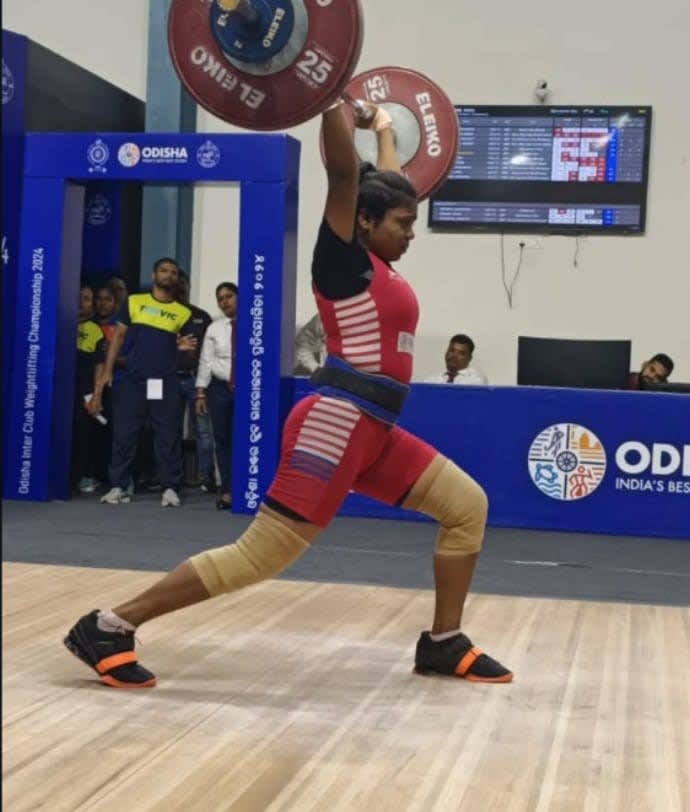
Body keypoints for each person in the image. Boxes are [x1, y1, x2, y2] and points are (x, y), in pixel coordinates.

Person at [64, 99, 512, 688]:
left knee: (466, 506)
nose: (409, 234)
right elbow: (346, 176)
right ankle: (109, 625)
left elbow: (381, 182)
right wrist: (330, 100)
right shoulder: (343, 261)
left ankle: (443, 641)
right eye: (403, 225)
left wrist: (382, 127)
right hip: (335, 424)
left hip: (374, 431)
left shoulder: (380, 254)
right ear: (365, 222)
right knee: (260, 555)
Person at [88, 258, 197, 508]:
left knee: (167, 434)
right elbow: (118, 337)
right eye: (163, 271)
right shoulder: (134, 302)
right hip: (133, 380)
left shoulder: (183, 312)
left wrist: (181, 348)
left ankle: (170, 487)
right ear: (154, 275)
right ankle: (118, 485)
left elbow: (190, 351)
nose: (168, 275)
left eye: (173, 272)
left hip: (164, 382)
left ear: (177, 279)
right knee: (124, 433)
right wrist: (107, 371)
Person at [195, 282, 238, 510]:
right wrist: (200, 393)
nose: (225, 302)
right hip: (219, 389)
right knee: (222, 440)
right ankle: (228, 490)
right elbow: (206, 360)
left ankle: (248, 487)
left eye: (229, 296)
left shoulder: (255, 323)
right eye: (220, 299)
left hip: (249, 389)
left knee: (245, 437)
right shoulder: (215, 328)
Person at [175, 271, 215, 492]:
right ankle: (171, 477)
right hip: (170, 379)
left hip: (196, 380)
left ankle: (205, 477)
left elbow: (210, 352)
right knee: (168, 429)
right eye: (177, 283)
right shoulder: (165, 315)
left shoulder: (202, 316)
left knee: (203, 431)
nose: (181, 287)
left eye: (184, 283)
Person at [71, 285, 106, 494]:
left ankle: (84, 475)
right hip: (58, 391)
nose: (80, 302)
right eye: (78, 297)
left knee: (83, 434)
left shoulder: (94, 330)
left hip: (83, 392)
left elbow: (99, 366)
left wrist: (96, 396)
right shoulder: (58, 322)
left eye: (86, 299)